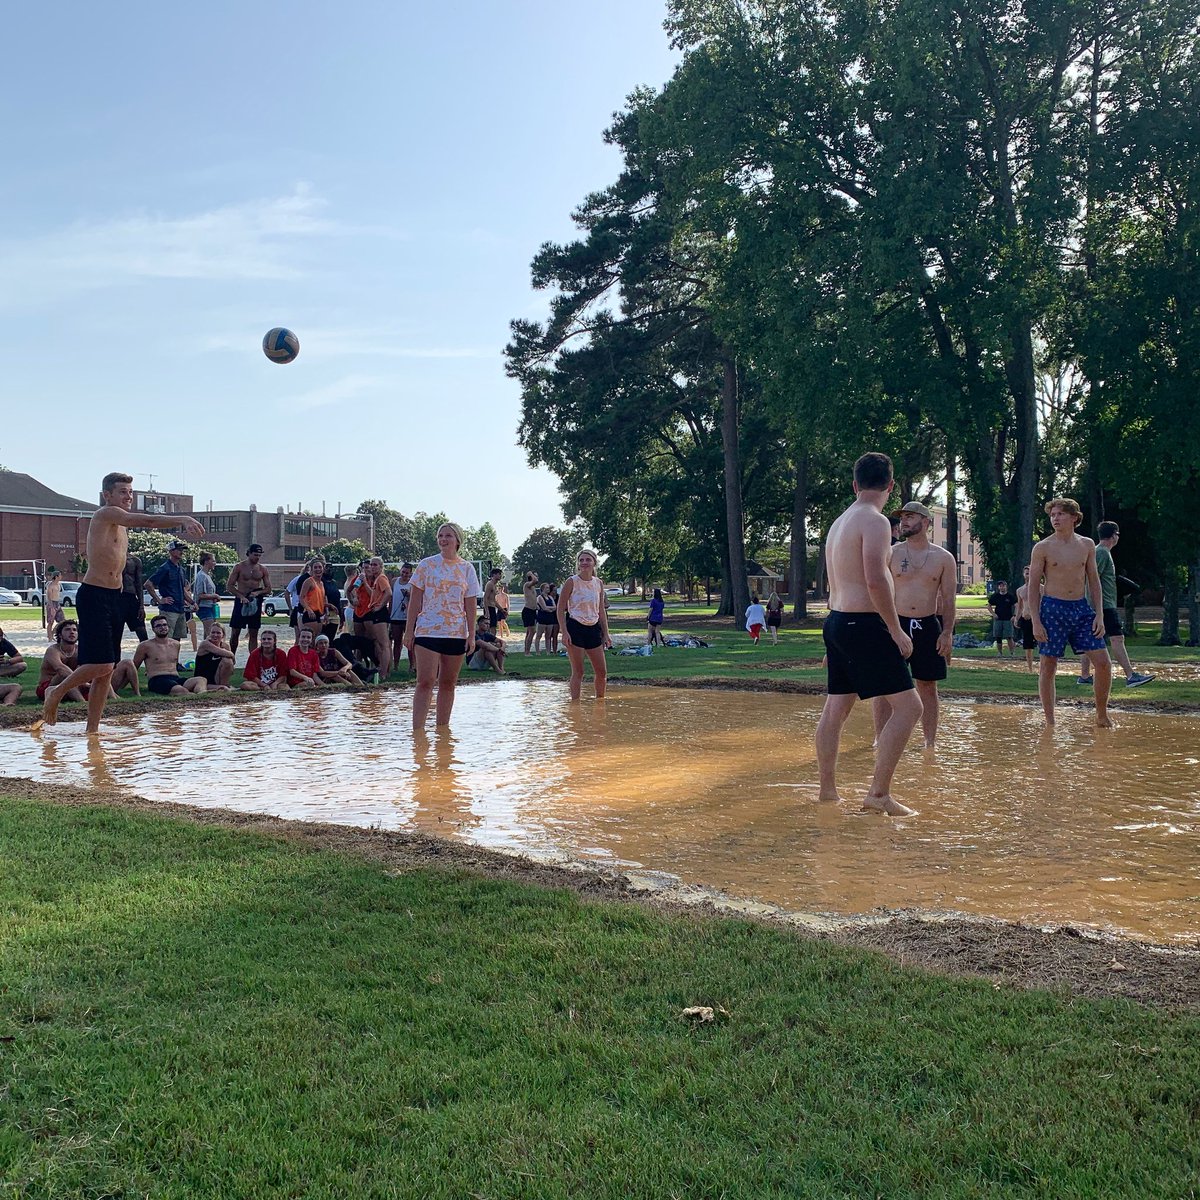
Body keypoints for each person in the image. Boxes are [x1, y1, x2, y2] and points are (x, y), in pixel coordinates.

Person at [34, 473, 204, 734]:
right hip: (94, 595)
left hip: (117, 597)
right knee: (101, 664)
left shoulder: (121, 525)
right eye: (123, 491)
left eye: (130, 492)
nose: (129, 496)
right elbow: (147, 520)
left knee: (107, 670)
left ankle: (93, 730)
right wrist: (182, 518)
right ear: (107, 495)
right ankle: (57, 690)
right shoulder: (105, 514)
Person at [814, 452, 921, 817]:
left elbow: (839, 579)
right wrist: (896, 631)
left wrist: (838, 637)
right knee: (910, 707)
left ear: (855, 484)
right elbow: (875, 579)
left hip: (839, 620)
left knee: (836, 708)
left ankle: (828, 792)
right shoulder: (874, 521)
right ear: (890, 487)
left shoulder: (839, 522)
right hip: (864, 623)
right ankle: (878, 795)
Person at [870, 501, 957, 749]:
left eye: (910, 516)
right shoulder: (892, 553)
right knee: (886, 684)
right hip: (894, 624)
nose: (904, 521)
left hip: (927, 625)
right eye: (902, 517)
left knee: (928, 685)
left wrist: (948, 632)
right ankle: (880, 738)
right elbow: (876, 590)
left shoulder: (944, 558)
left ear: (926, 522)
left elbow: (949, 599)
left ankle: (929, 742)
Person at [1028, 496, 1111, 728]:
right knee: (1048, 664)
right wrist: (1035, 620)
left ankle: (1102, 714)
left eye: (1060, 514)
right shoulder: (1042, 547)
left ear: (1074, 518)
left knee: (1103, 662)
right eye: (1052, 515)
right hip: (1053, 608)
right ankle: (1050, 720)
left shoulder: (1086, 545)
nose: (1055, 518)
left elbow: (1094, 581)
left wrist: (1099, 615)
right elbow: (1034, 586)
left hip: (1081, 608)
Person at [403, 522, 480, 729]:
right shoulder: (426, 565)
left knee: (448, 683)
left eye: (448, 536)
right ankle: (418, 731)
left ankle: (442, 731)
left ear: (457, 541)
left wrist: (471, 635)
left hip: (455, 632)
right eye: (440, 536)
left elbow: (471, 603)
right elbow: (415, 601)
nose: (443, 539)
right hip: (428, 631)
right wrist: (409, 631)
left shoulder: (467, 569)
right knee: (425, 681)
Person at [1076, 521, 1155, 689]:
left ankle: (1084, 676)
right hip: (1104, 605)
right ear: (1113, 535)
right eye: (1117, 534)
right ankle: (1131, 676)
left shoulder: (1101, 552)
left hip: (1101, 604)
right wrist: (1095, 607)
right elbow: (1090, 578)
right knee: (1117, 639)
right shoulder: (1102, 553)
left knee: (1090, 641)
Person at [558, 549, 611, 700]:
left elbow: (600, 610)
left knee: (601, 671)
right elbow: (560, 608)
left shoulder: (598, 583)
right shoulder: (571, 581)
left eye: (588, 560)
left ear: (594, 563)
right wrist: (564, 632)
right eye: (581, 560)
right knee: (578, 671)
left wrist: (606, 633)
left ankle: (600, 703)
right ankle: (575, 706)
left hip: (594, 628)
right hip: (575, 627)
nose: (584, 563)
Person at [133, 614, 208, 696]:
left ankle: (201, 693)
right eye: (158, 626)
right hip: (157, 679)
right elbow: (133, 667)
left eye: (164, 625)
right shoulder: (145, 646)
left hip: (175, 678)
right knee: (180, 690)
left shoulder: (176, 644)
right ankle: (196, 696)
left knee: (201, 680)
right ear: (153, 629)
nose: (162, 627)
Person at [352, 557, 393, 677]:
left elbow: (389, 592)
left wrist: (380, 605)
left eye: (375, 565)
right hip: (372, 612)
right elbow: (353, 589)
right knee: (381, 644)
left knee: (384, 645)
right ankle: (382, 670)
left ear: (381, 566)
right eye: (371, 565)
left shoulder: (381, 578)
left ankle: (384, 673)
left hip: (379, 613)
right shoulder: (376, 579)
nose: (372, 567)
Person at [146, 541, 193, 641]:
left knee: (177, 641)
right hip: (168, 610)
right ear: (171, 551)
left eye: (182, 550)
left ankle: (174, 657)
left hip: (180, 609)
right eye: (179, 549)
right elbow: (148, 584)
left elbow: (182, 590)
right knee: (166, 639)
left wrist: (192, 602)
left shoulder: (181, 569)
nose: (181, 552)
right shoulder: (165, 568)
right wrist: (159, 600)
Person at [228, 544, 271, 655]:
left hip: (255, 601)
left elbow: (268, 588)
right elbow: (229, 586)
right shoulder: (239, 567)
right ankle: (231, 656)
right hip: (241, 599)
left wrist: (258, 592)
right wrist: (241, 596)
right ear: (249, 553)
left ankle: (253, 660)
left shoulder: (262, 569)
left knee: (253, 632)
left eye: (259, 555)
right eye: (255, 555)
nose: (257, 557)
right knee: (235, 632)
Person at [194, 622, 236, 690]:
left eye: (218, 633)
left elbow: (231, 662)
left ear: (223, 635)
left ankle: (223, 685)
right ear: (209, 633)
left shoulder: (225, 646)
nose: (215, 635)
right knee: (228, 660)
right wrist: (232, 656)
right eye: (213, 632)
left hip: (216, 677)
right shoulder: (205, 644)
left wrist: (232, 659)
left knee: (228, 661)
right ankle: (223, 687)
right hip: (204, 681)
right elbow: (230, 654)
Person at [389, 562, 414, 675]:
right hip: (395, 616)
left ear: (410, 573)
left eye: (407, 573)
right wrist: (389, 614)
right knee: (397, 641)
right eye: (403, 572)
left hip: (408, 617)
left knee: (410, 642)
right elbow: (391, 598)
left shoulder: (413, 583)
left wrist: (409, 595)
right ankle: (396, 665)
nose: (404, 574)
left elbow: (417, 599)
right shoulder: (394, 581)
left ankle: (412, 665)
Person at [192, 552, 220, 640]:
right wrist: (214, 596)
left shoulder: (207, 576)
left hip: (210, 606)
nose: (215, 563)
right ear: (207, 561)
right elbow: (200, 595)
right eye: (213, 561)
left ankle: (207, 651)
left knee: (208, 633)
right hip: (204, 607)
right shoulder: (202, 576)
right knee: (210, 633)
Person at [121, 551, 148, 641]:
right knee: (115, 634)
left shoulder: (135, 561)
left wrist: (141, 606)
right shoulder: (111, 558)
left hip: (131, 597)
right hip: (116, 597)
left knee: (142, 632)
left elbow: (138, 584)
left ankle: (146, 653)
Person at [1015, 566, 1038, 672]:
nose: (1028, 575)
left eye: (1030, 573)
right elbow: (1020, 606)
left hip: (1037, 619)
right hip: (1025, 619)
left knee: (1042, 643)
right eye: (1026, 573)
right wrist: (1016, 618)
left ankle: (1044, 667)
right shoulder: (1020, 590)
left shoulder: (1040, 588)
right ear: (1023, 574)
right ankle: (1030, 669)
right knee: (1028, 645)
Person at [987, 580, 1017, 657]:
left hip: (1008, 619)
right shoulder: (995, 596)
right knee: (998, 637)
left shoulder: (1010, 596)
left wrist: (1014, 615)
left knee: (1009, 637)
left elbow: (1017, 606)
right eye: (1000, 586)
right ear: (998, 587)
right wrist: (993, 614)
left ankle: (1012, 652)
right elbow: (989, 605)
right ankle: (1000, 653)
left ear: (1006, 587)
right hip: (998, 619)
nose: (1002, 587)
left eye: (1003, 586)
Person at [0, 624, 26, 705]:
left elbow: (19, 657)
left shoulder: (4, 643)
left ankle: (7, 705)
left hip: (2, 667)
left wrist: (7, 661)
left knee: (16, 687)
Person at [534, 582, 557, 653]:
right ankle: (537, 651)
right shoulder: (540, 597)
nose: (548, 589)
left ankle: (548, 651)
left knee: (548, 636)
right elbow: (544, 608)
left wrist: (549, 608)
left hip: (550, 619)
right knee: (539, 636)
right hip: (542, 618)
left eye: (548, 587)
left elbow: (555, 607)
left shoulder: (550, 597)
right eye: (546, 588)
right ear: (542, 589)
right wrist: (550, 609)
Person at [44, 569, 64, 642]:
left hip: (57, 603)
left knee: (62, 621)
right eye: (60, 575)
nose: (61, 576)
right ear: (56, 576)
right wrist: (51, 606)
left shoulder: (59, 584)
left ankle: (52, 633)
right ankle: (49, 637)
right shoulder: (50, 585)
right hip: (51, 603)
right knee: (51, 622)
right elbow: (48, 596)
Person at [522, 571, 540, 654]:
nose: (537, 578)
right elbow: (535, 580)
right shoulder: (527, 584)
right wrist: (531, 574)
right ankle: (527, 652)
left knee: (529, 632)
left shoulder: (532, 588)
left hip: (533, 611)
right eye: (535, 576)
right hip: (527, 610)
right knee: (532, 631)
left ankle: (527, 651)